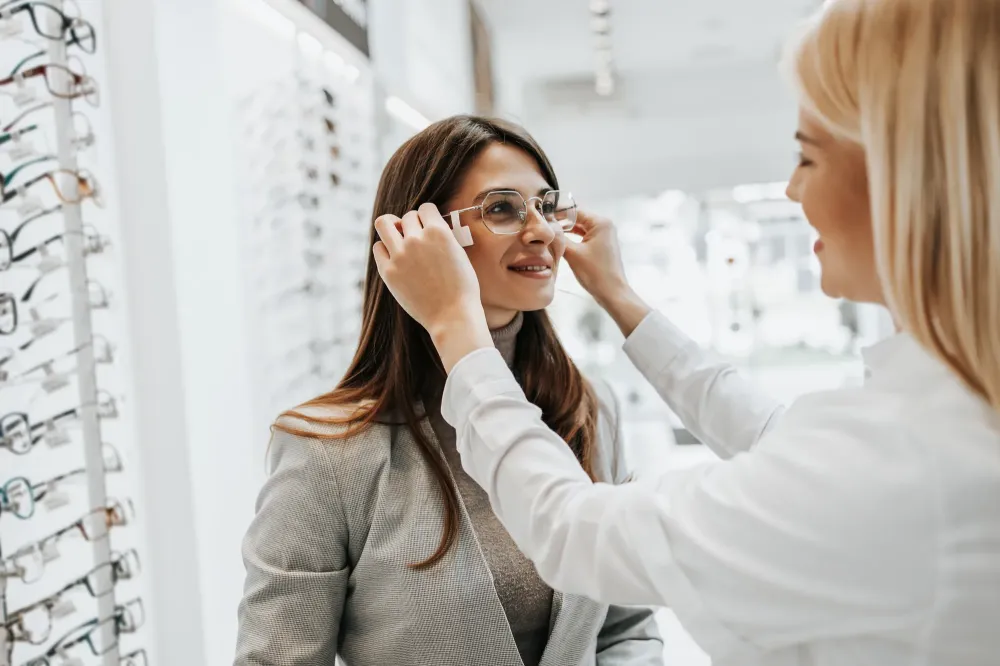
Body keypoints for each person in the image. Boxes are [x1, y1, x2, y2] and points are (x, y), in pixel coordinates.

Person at [370, 1, 1000, 665]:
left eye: (808, 158)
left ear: (902, 180)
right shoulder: (940, 419)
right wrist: (621, 300)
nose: (790, 190)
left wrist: (455, 329)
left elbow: (574, 535)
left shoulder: (901, 460)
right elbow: (775, 434)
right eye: (502, 208)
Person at [233, 116, 664, 666]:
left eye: (548, 205)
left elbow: (626, 626)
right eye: (502, 208)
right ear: (420, 240)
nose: (542, 231)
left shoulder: (585, 408)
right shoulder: (327, 451)